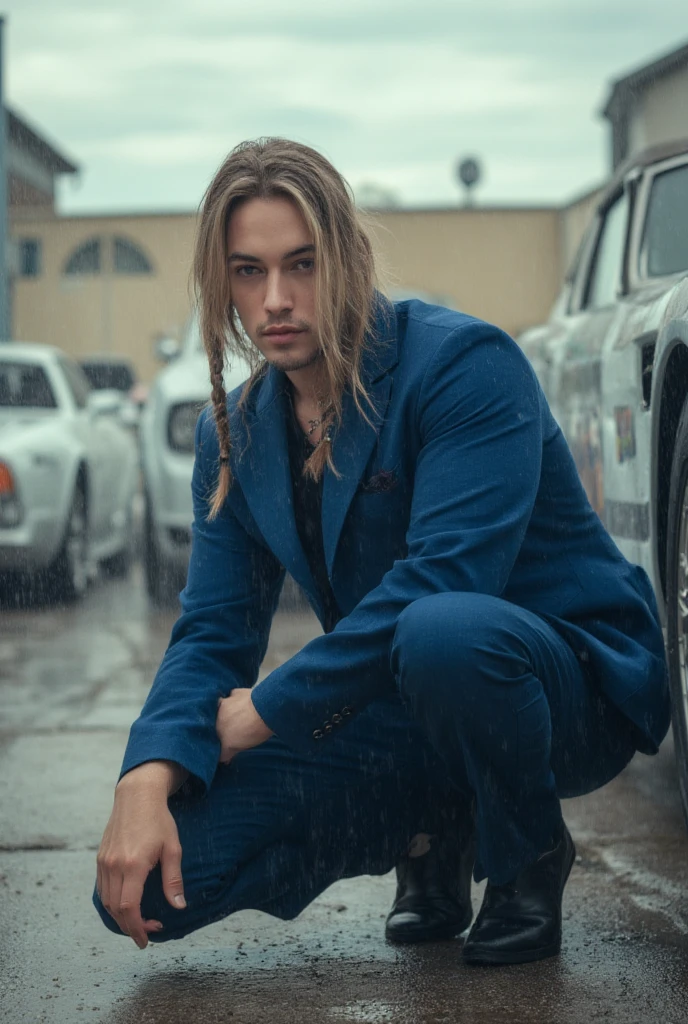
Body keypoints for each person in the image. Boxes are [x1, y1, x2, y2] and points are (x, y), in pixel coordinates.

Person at [94, 138, 669, 967]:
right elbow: (213, 628)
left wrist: (268, 709)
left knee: (445, 632)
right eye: (249, 272)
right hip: (399, 700)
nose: (278, 300)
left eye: (303, 264)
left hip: (559, 685)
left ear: (350, 257)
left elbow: (447, 579)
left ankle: (526, 852)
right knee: (145, 889)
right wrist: (146, 775)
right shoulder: (238, 433)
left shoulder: (464, 364)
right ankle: (432, 825)